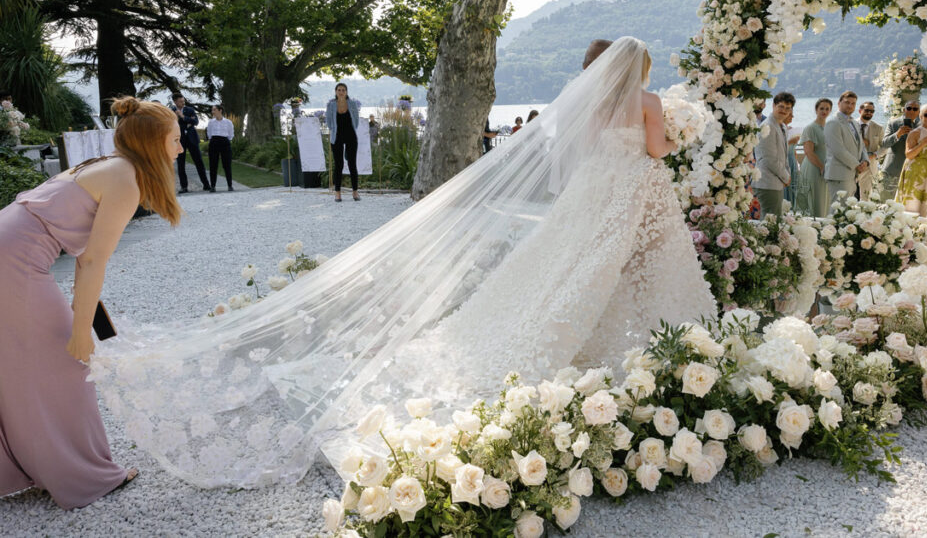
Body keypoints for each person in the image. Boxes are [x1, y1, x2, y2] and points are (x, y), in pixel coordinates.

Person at [88, 36, 717, 489]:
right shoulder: (649, 101)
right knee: (617, 268)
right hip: (631, 192)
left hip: (592, 198)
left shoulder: (597, 105)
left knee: (573, 267)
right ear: (641, 68)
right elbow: (657, 151)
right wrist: (678, 132)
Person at [0, 97, 182, 509]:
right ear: (154, 143)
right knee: (69, 363)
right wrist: (81, 331)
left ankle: (44, 467)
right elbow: (92, 260)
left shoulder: (109, 165)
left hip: (9, 250)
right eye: (175, 139)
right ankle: (84, 476)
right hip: (13, 263)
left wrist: (87, 322)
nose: (181, 148)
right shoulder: (126, 179)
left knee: (18, 366)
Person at [751, 92, 794, 218]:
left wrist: (787, 174)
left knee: (773, 221)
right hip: (767, 182)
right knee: (770, 222)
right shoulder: (768, 126)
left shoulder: (781, 126)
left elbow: (783, 156)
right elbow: (768, 159)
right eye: (781, 106)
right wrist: (786, 176)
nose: (784, 110)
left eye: (788, 108)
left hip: (776, 181)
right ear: (774, 105)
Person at [895, 103, 927, 216]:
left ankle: (924, 230)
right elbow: (909, 155)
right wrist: (921, 145)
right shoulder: (915, 133)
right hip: (915, 172)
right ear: (921, 117)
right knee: (912, 202)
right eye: (926, 115)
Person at [824, 90, 869, 211]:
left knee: (847, 211)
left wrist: (865, 160)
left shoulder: (854, 122)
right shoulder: (833, 122)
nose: (850, 105)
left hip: (852, 174)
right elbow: (838, 150)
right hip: (839, 175)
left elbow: (862, 145)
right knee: (837, 211)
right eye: (847, 102)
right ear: (839, 103)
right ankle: (830, 230)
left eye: (853, 103)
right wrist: (857, 165)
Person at [795, 98, 832, 217]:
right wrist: (821, 167)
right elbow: (808, 151)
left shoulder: (829, 127)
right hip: (813, 167)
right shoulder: (810, 128)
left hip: (825, 168)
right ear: (816, 110)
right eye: (821, 108)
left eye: (827, 109)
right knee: (813, 198)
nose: (824, 111)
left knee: (823, 198)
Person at [325, 83, 362, 202]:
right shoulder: (331, 105)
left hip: (351, 135)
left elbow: (356, 121)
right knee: (339, 165)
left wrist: (350, 131)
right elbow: (329, 122)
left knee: (352, 164)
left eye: (343, 90)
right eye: (339, 90)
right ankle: (337, 193)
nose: (341, 92)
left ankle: (355, 192)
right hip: (337, 137)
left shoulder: (352, 104)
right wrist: (334, 130)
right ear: (336, 92)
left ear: (346, 92)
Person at [879, 100, 921, 201]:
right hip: (893, 169)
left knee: (909, 204)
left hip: (913, 170)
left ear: (919, 112)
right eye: (909, 108)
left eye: (915, 109)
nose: (912, 111)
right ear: (904, 110)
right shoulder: (893, 123)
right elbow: (884, 143)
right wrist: (897, 134)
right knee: (887, 202)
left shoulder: (922, 125)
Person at [172, 93, 211, 194]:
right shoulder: (171, 111)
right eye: (180, 101)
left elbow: (196, 122)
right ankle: (184, 187)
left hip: (192, 139)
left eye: (183, 101)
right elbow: (171, 124)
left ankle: (206, 184)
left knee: (199, 162)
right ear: (175, 101)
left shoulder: (190, 110)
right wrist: (185, 122)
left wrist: (183, 117)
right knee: (181, 164)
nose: (183, 103)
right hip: (179, 141)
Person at [855, 101, 884, 200]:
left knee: (866, 196)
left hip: (870, 166)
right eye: (867, 110)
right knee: (848, 194)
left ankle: (864, 214)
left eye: (872, 111)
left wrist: (875, 155)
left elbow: (884, 147)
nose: (869, 113)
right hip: (852, 164)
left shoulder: (878, 128)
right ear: (860, 110)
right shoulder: (850, 125)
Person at [206, 104, 234, 192]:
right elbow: (209, 133)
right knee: (213, 164)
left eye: (214, 110)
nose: (212, 111)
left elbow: (231, 134)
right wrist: (213, 140)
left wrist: (226, 140)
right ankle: (213, 186)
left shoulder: (228, 122)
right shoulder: (211, 122)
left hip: (225, 142)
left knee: (227, 164)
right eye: (212, 110)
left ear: (220, 110)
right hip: (214, 142)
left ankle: (230, 185)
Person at [782, 107, 800, 207]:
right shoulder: (779, 129)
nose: (792, 117)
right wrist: (790, 142)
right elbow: (778, 149)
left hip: (792, 162)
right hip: (784, 162)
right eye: (790, 114)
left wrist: (797, 164)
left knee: (793, 190)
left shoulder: (790, 129)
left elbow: (793, 151)